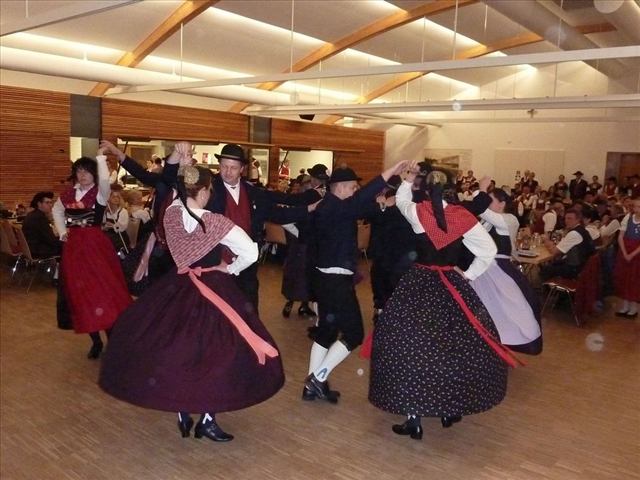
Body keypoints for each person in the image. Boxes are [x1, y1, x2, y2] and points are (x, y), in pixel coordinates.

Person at [99, 165, 284, 442]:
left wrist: (183, 167)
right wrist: (229, 269)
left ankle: (182, 408)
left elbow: (178, 200)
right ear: (206, 190)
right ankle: (207, 419)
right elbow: (250, 252)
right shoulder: (215, 222)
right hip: (211, 287)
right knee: (216, 353)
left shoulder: (172, 212)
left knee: (178, 348)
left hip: (177, 287)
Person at [369, 161, 513, 441]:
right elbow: (488, 250)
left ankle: (414, 418)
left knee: (412, 348)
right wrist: (468, 275)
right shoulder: (462, 217)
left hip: (418, 284)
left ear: (427, 189)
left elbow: (401, 199)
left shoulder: (418, 212)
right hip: (450, 285)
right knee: (453, 347)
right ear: (453, 189)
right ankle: (448, 408)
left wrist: (408, 179)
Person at [303, 161, 408, 404]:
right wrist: (391, 172)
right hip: (335, 280)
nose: (354, 191)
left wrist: (386, 202)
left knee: (327, 331)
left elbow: (365, 205)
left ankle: (311, 387)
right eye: (352, 187)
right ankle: (318, 378)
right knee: (354, 334)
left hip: (325, 278)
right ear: (340, 187)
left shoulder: (332, 206)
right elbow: (363, 198)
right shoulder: (334, 207)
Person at [164, 143, 316, 310]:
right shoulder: (207, 188)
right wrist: (177, 157)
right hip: (216, 265)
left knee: (248, 309)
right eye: (224, 166)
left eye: (233, 168)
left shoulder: (253, 192)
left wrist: (309, 209)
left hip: (247, 266)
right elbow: (171, 180)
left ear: (242, 169)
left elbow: (278, 214)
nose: (228, 172)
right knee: (219, 312)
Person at [51, 148, 132, 358]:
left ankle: (113, 343)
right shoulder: (67, 194)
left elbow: (105, 180)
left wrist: (101, 157)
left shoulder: (100, 193)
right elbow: (56, 211)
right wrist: (62, 232)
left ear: (94, 174)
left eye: (86, 171)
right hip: (74, 249)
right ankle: (96, 341)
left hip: (95, 247)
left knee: (104, 293)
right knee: (82, 296)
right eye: (79, 171)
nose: (82, 175)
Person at [474, 186, 542, 355]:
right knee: (485, 307)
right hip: (482, 270)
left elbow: (481, 209)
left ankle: (511, 340)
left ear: (502, 203)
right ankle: (487, 344)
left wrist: (480, 190)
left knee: (512, 306)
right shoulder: (487, 222)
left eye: (490, 200)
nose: (486, 203)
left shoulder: (509, 219)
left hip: (499, 270)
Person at [281, 163, 329, 318]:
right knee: (302, 274)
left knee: (299, 274)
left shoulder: (314, 196)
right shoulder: (317, 197)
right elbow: (287, 220)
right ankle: (297, 305)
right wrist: (299, 233)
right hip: (307, 243)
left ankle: (299, 305)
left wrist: (299, 233)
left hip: (306, 242)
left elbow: (287, 220)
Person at [540, 208, 596, 281]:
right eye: (565, 218)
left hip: (576, 269)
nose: (566, 221)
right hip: (584, 266)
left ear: (578, 220)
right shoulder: (582, 230)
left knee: (547, 269)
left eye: (570, 218)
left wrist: (547, 241)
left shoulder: (574, 233)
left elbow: (554, 251)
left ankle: (545, 287)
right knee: (553, 264)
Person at [613, 199, 640, 318]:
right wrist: (624, 252)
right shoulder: (627, 218)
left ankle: (633, 308)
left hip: (637, 253)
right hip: (625, 250)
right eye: (636, 206)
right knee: (624, 278)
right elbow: (620, 237)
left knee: (634, 280)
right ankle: (624, 306)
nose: (637, 209)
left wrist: (632, 254)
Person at [22, 191, 62, 258]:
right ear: (39, 204)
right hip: (39, 251)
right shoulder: (39, 218)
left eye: (51, 202)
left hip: (31, 248)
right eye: (47, 202)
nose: (51, 205)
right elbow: (51, 240)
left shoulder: (33, 214)